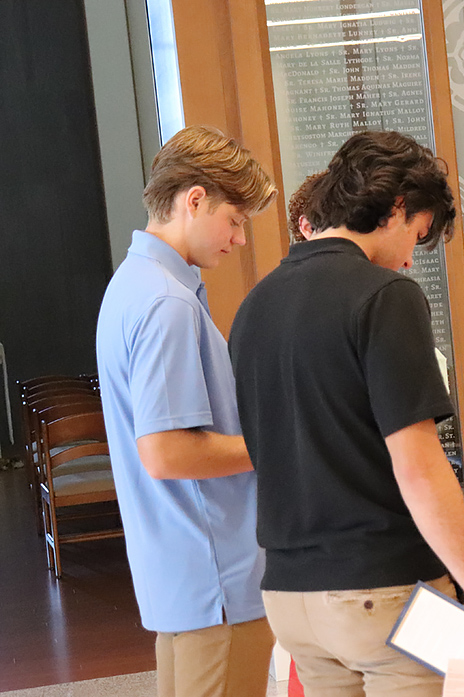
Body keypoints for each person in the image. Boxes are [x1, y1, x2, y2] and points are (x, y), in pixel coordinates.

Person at [229, 130, 464, 697]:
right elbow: (419, 468)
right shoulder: (386, 296)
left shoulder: (256, 304)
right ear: (395, 207)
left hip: (290, 597)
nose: (413, 256)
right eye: (417, 233)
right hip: (380, 593)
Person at [95, 125, 277, 697]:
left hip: (180, 573)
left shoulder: (132, 284)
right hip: (213, 574)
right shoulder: (165, 303)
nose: (240, 239)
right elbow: (168, 452)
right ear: (194, 199)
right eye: (236, 220)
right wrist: (279, 447)